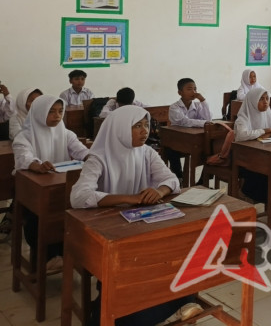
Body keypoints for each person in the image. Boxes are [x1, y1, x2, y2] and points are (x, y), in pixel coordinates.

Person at [70, 106, 201, 325]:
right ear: (120, 129)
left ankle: (173, 302)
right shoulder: (98, 157)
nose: (145, 131)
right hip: (110, 232)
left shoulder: (147, 152)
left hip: (141, 224)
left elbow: (173, 180)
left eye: (147, 125)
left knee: (171, 254)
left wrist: (159, 191)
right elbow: (79, 196)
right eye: (137, 126)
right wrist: (128, 198)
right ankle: (163, 309)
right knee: (127, 278)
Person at [13, 95, 90, 271]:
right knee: (37, 217)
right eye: (52, 112)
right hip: (33, 192)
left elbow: (80, 150)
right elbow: (24, 156)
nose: (57, 116)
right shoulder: (24, 136)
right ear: (40, 113)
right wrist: (36, 165)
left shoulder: (65, 132)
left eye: (60, 111)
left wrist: (91, 157)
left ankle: (66, 252)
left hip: (61, 188)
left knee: (73, 213)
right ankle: (47, 256)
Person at [233, 88, 271, 204]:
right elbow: (241, 135)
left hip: (265, 154)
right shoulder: (243, 118)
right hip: (246, 158)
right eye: (261, 99)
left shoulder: (269, 114)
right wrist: (263, 131)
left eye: (267, 99)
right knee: (266, 170)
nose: (265, 102)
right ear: (252, 101)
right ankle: (250, 194)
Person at [167, 78, 214, 179]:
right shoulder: (174, 107)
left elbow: (208, 118)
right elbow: (185, 122)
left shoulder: (197, 105)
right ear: (180, 92)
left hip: (193, 139)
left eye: (195, 89)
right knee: (171, 150)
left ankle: (203, 180)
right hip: (178, 140)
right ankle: (178, 177)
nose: (194, 92)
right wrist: (205, 123)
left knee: (212, 148)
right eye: (189, 89)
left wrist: (203, 100)